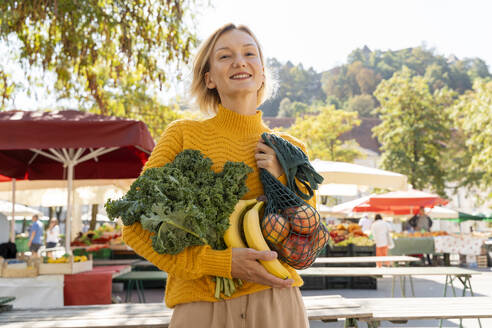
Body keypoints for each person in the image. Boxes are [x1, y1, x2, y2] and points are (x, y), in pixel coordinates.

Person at [122, 23, 315, 327]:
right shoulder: (183, 135)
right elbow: (135, 228)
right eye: (225, 56)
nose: (240, 61)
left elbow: (305, 244)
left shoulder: (291, 151)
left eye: (250, 53)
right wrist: (221, 263)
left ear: (262, 72)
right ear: (209, 78)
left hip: (276, 306)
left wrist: (281, 179)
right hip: (200, 308)